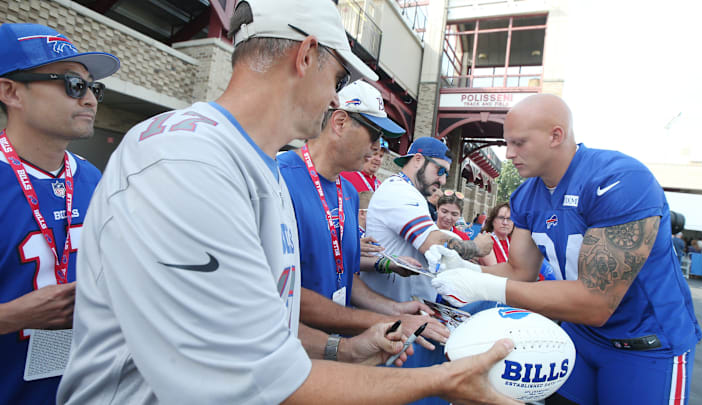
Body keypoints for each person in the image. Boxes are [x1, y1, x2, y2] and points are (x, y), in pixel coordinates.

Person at [56, 2, 518, 404]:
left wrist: (344, 349)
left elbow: (259, 324)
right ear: (306, 55)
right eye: (337, 76)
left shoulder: (262, 165)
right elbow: (245, 380)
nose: (335, 96)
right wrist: (444, 379)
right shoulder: (183, 159)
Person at [430, 94, 702, 405]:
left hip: (645, 343)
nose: (509, 154)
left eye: (519, 143)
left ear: (555, 136)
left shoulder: (618, 180)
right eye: (508, 143)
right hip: (582, 336)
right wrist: (467, 269)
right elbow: (520, 271)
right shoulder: (526, 195)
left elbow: (596, 303)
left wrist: (482, 285)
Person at [0, 23, 119, 404]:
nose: (89, 100)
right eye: (72, 84)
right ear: (10, 91)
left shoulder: (92, 177)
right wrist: (11, 315)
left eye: (93, 88)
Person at [278, 79, 447, 347]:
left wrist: (395, 309)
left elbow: (347, 278)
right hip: (290, 351)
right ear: (340, 122)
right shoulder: (279, 178)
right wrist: (385, 322)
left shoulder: (349, 192)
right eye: (374, 134)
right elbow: (282, 292)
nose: (378, 147)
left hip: (336, 347)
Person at [360, 136, 494, 405]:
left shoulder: (411, 194)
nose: (443, 180)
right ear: (418, 159)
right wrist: (476, 246)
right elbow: (432, 243)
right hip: (391, 323)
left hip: (406, 318)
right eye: (440, 170)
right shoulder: (398, 191)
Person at [477, 202, 512, 266]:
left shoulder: (514, 241)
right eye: (501, 218)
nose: (505, 222)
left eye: (509, 219)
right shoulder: (485, 240)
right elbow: (495, 272)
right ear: (493, 220)